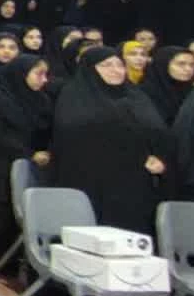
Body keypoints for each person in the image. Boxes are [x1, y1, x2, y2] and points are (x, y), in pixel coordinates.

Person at [50, 45, 169, 240]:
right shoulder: (75, 96)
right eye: (106, 65)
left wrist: (159, 158)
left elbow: (159, 133)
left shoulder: (136, 96)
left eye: (119, 65)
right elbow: (75, 136)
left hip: (136, 183)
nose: (116, 70)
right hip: (92, 183)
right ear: (90, 69)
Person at [0, 53, 53, 268]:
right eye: (39, 74)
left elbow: (45, 133)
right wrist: (27, 153)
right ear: (21, 73)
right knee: (1, 216)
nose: (44, 80)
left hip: (35, 167)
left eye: (46, 74)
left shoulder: (42, 100)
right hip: (2, 163)